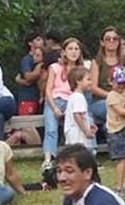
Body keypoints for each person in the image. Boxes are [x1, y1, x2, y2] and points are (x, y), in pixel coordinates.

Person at [42, 37, 84, 171]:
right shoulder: (54, 67)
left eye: (76, 49)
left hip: (72, 101)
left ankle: (81, 156)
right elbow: (48, 90)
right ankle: (48, 159)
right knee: (51, 129)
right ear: (64, 51)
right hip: (55, 100)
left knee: (77, 126)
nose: (73, 52)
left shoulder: (81, 69)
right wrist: (54, 107)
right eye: (70, 49)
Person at [89, 26, 125, 125]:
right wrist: (112, 97)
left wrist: (121, 97)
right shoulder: (96, 61)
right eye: (108, 39)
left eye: (115, 39)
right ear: (102, 42)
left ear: (119, 41)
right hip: (102, 100)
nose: (111, 41)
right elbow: (93, 88)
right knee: (114, 108)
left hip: (123, 98)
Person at [64, 67, 97, 154]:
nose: (91, 82)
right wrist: (86, 131)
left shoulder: (74, 96)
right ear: (78, 81)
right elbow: (77, 115)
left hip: (74, 137)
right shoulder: (79, 97)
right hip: (78, 137)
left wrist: (90, 126)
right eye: (88, 79)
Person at [16, 32, 45, 116]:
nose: (41, 42)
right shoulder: (27, 59)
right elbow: (28, 77)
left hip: (40, 98)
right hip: (28, 97)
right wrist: (38, 69)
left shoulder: (46, 57)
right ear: (30, 43)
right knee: (26, 124)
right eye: (38, 39)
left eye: (41, 39)